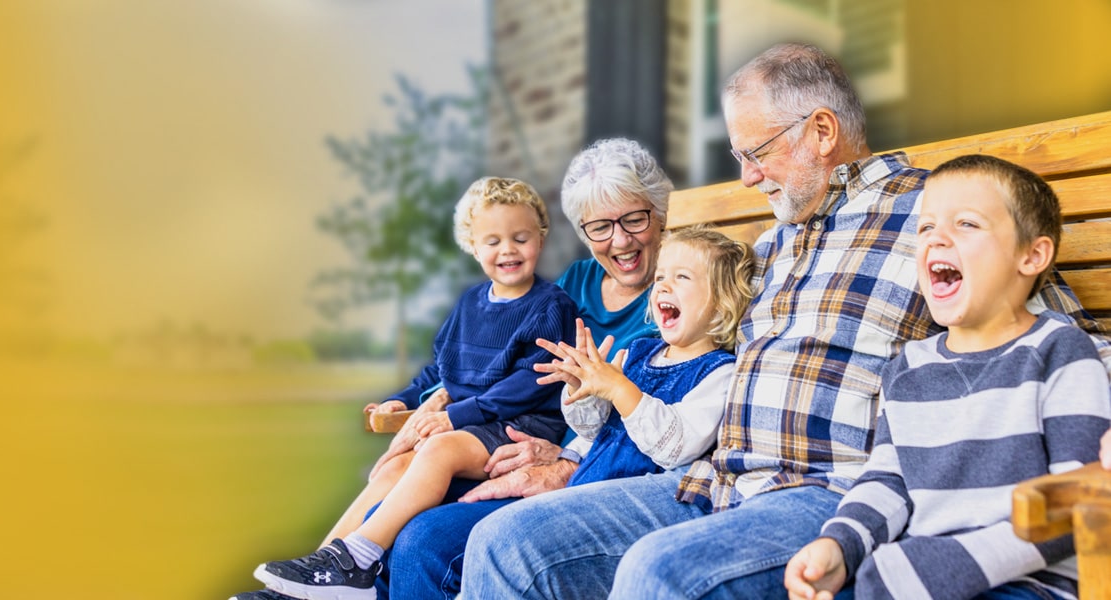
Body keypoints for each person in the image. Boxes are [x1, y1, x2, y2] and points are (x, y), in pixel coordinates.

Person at [459, 43, 1110, 600]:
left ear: (821, 132)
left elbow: (1063, 340)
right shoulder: (772, 243)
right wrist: (572, 449)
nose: (745, 178)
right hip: (712, 480)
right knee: (504, 544)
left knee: (660, 575)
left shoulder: (933, 213)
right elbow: (687, 359)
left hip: (830, 494)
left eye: (756, 153)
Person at [784, 154, 1111, 599]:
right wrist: (838, 546)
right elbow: (888, 482)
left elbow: (1079, 501)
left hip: (1030, 582)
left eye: (967, 224)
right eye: (925, 227)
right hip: (923, 573)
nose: (937, 239)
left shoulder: (1059, 350)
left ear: (1032, 255)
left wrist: (950, 564)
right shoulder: (908, 368)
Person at [364, 138, 677, 600]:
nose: (620, 240)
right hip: (505, 445)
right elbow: (495, 367)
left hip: (591, 473)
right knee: (384, 516)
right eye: (599, 227)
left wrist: (564, 459)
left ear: (660, 214)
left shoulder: (678, 297)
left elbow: (671, 414)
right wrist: (433, 400)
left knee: (423, 542)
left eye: (634, 218)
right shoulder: (572, 286)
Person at [243, 176, 579, 600]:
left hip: (520, 427)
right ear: (472, 246)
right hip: (470, 427)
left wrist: (454, 415)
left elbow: (533, 382)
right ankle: (318, 574)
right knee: (392, 468)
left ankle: (359, 559)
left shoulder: (552, 305)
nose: (508, 250)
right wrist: (401, 400)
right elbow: (441, 369)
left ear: (541, 238)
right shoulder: (469, 304)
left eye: (520, 237)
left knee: (436, 449)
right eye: (492, 240)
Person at [536, 226, 753, 488]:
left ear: (720, 305)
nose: (663, 285)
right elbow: (593, 429)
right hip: (585, 487)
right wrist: (582, 388)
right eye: (660, 276)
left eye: (682, 277)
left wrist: (619, 389)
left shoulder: (719, 373)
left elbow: (676, 447)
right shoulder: (640, 352)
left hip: (635, 499)